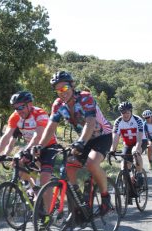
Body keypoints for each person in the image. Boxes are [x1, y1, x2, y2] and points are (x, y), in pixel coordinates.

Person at [34, 71, 114, 215]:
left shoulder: (85, 98)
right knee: (69, 165)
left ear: (72, 86)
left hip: (102, 136)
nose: (62, 92)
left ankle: (105, 198)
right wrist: (40, 146)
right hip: (84, 139)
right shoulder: (58, 105)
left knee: (91, 164)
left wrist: (80, 142)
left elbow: (90, 123)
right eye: (58, 90)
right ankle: (78, 201)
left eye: (64, 88)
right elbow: (50, 128)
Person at [0, 91, 59, 200]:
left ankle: (47, 200)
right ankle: (35, 190)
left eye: (21, 107)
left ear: (30, 104)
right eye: (16, 108)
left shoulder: (40, 114)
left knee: (44, 175)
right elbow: (6, 136)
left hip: (48, 146)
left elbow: (37, 136)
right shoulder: (15, 117)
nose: (19, 111)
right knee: (17, 163)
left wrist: (25, 150)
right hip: (32, 146)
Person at [109, 102, 148, 200]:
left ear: (131, 111)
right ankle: (129, 187)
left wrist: (137, 148)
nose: (125, 114)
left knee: (135, 151)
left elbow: (139, 138)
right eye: (123, 112)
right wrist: (112, 150)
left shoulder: (138, 120)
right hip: (128, 143)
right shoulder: (118, 122)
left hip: (140, 141)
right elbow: (115, 137)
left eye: (127, 112)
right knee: (124, 166)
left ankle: (139, 174)